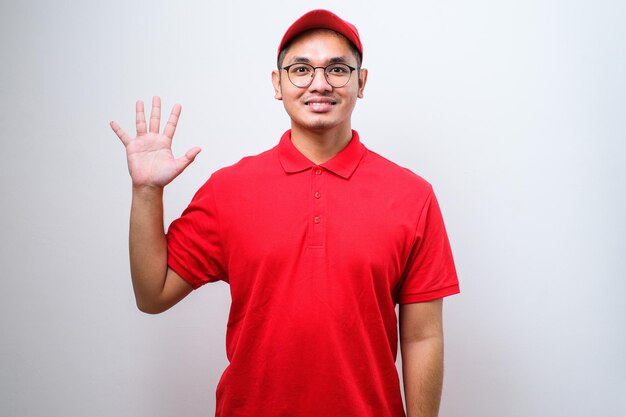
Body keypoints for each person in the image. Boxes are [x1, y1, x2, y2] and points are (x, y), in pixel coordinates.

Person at [110, 9, 459, 417]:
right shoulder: (230, 189)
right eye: (300, 69)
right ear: (278, 84)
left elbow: (422, 337)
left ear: (361, 83)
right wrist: (147, 191)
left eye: (338, 70)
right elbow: (152, 295)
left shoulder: (412, 196)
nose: (320, 84)